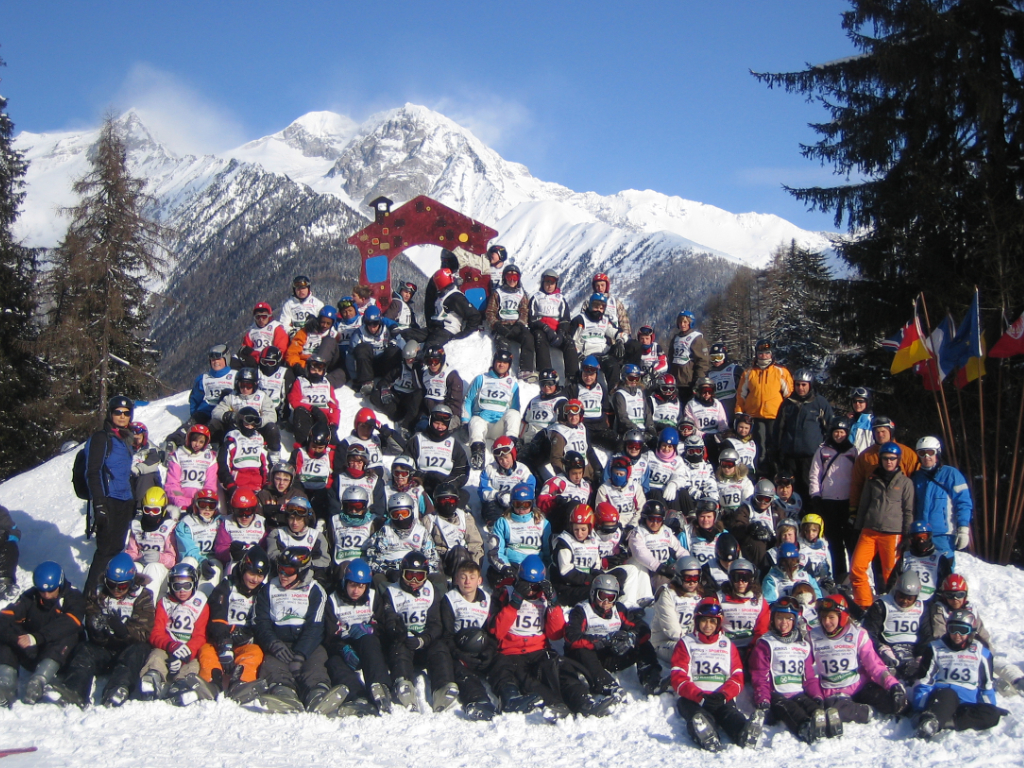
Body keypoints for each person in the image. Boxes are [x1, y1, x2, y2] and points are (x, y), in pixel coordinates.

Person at [489, 554, 612, 718]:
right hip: (512, 651)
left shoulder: (543, 597)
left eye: (536, 586)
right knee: (526, 679)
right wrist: (514, 603)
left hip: (539, 649)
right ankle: (554, 704)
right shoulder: (505, 592)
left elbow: (556, 634)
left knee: (562, 670)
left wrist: (554, 604)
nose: (532, 591)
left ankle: (584, 702)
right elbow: (496, 632)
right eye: (528, 585)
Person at [54, 554, 154, 708]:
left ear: (131, 582)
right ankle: (74, 689)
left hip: (128, 647)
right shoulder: (99, 593)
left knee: (139, 650)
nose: (116, 590)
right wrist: (97, 631)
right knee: (84, 649)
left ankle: (117, 689)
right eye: (111, 584)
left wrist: (123, 631)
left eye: (121, 586)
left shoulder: (143, 596)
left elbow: (144, 631)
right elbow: (90, 614)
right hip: (105, 648)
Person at [670, 596, 763, 752]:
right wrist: (699, 696)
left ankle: (743, 732)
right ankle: (707, 735)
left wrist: (724, 695)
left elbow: (737, 677)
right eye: (704, 620)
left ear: (719, 623)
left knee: (730, 714)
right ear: (697, 620)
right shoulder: (686, 643)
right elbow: (678, 677)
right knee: (698, 717)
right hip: (693, 699)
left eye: (713, 621)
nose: (708, 625)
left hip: (720, 697)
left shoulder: (727, 645)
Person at [253, 547, 336, 713]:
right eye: (280, 569)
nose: (283, 575)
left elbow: (316, 625)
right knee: (272, 666)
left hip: (307, 643)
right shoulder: (269, 588)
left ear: (302, 572)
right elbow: (260, 621)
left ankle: (317, 694)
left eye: (289, 571)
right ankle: (284, 693)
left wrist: (301, 654)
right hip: (280, 642)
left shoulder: (315, 590)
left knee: (315, 665)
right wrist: (272, 643)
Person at [748, 597, 836, 743]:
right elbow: (759, 676)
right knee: (790, 709)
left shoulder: (801, 645)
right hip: (775, 696)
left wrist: (817, 696)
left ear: (794, 620)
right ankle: (805, 727)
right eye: (780, 618)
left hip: (797, 691)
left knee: (811, 705)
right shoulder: (766, 644)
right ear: (773, 619)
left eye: (788, 618)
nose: (784, 623)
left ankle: (825, 722)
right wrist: (763, 699)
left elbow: (809, 677)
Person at [809, 594, 907, 724]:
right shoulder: (813, 636)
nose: (826, 622)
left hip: (859, 687)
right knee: (832, 710)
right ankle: (866, 712)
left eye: (831, 617)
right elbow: (806, 669)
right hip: (832, 692)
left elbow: (873, 665)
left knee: (895, 703)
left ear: (842, 616)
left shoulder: (857, 634)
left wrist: (893, 684)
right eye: (823, 617)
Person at [564, 573, 664, 698]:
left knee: (644, 644)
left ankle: (650, 678)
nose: (606, 602)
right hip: (590, 658)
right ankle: (604, 683)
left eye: (610, 597)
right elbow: (571, 637)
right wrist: (602, 641)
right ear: (593, 593)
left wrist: (630, 637)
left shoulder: (619, 609)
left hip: (611, 655)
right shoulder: (582, 611)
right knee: (582, 651)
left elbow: (642, 629)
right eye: (602, 596)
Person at [381, 551, 458, 711]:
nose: (414, 581)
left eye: (419, 576)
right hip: (404, 641)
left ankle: (442, 686)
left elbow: (436, 623)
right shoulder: (392, 592)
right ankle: (403, 683)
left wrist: (423, 640)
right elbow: (389, 620)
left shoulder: (431, 591)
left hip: (425, 641)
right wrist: (399, 633)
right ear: (401, 574)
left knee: (440, 648)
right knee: (398, 649)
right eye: (409, 576)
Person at [0, 562, 86, 706]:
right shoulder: (31, 597)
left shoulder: (73, 597)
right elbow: (6, 617)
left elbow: (71, 622)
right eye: (42, 591)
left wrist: (37, 637)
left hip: (60, 655)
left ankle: (39, 681)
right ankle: (6, 683)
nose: (46, 595)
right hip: (34, 650)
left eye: (51, 590)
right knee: (7, 635)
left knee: (68, 634)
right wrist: (16, 638)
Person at [912, 608, 1005, 738]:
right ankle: (930, 721)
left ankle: (945, 722)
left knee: (992, 714)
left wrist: (989, 707)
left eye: (962, 630)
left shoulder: (982, 652)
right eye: (953, 629)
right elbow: (924, 681)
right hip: (942, 698)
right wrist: (919, 707)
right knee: (948, 693)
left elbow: (986, 685)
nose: (957, 634)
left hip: (967, 703)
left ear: (971, 632)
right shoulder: (935, 648)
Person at [197, 545, 270, 702]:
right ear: (243, 569)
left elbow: (262, 621)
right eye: (251, 573)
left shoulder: (263, 592)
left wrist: (246, 633)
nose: (254, 579)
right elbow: (217, 613)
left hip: (245, 640)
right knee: (207, 651)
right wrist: (224, 640)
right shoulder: (227, 585)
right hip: (222, 637)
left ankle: (242, 683)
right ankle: (210, 682)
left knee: (255, 653)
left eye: (260, 576)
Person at [322, 558, 393, 716]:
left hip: (367, 644)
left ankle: (380, 688)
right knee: (333, 662)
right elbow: (328, 635)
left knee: (370, 641)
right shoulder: (333, 600)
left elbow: (383, 625)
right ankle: (358, 697)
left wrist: (371, 628)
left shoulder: (374, 597)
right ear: (345, 583)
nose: (356, 591)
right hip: (343, 647)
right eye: (352, 585)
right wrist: (342, 647)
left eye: (361, 587)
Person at [83, 395, 138, 594]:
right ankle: (89, 598)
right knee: (105, 551)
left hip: (124, 500)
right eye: (118, 412)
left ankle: (108, 593)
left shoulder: (125, 438)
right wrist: (99, 504)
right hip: (108, 500)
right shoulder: (101, 438)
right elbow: (93, 471)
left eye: (126, 413)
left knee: (116, 549)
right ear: (110, 413)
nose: (122, 416)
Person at [850, 442, 914, 609]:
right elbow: (864, 504)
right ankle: (864, 604)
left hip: (892, 532)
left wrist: (907, 535)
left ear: (898, 460)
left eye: (892, 459)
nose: (889, 462)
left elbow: (908, 510)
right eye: (885, 458)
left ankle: (893, 608)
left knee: (890, 574)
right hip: (869, 530)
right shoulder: (872, 479)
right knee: (857, 568)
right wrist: (858, 526)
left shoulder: (905, 482)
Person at [138, 562, 211, 704]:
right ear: (171, 586)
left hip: (189, 650)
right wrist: (171, 646)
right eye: (177, 586)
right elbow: (156, 632)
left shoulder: (200, 603)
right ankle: (152, 678)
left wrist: (186, 652)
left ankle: (182, 684)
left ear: (194, 585)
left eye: (187, 586)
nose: (182, 591)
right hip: (168, 646)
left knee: (194, 664)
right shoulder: (165, 602)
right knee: (156, 656)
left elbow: (200, 635)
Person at [439, 561, 499, 720]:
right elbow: (446, 633)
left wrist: (489, 652)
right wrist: (459, 654)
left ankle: (510, 696)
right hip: (459, 649)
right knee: (460, 671)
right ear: (456, 580)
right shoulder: (450, 599)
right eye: (463, 577)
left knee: (502, 663)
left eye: (472, 577)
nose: (467, 582)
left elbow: (493, 632)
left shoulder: (487, 600)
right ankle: (478, 700)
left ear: (479, 580)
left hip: (481, 647)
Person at [808, 415, 858, 581]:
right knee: (834, 542)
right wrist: (815, 495)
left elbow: (858, 476)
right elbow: (815, 474)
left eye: (842, 432)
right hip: (829, 501)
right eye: (836, 432)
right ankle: (839, 576)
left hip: (847, 501)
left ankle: (855, 576)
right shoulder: (823, 450)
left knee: (850, 542)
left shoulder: (852, 451)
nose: (839, 435)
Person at [734, 339, 793, 473]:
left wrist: (789, 414)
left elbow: (789, 394)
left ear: (771, 354)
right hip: (754, 416)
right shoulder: (749, 372)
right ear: (756, 354)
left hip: (775, 416)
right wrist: (739, 411)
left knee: (774, 445)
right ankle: (760, 472)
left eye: (767, 353)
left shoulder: (780, 371)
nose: (764, 356)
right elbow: (741, 394)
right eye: (761, 353)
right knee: (759, 446)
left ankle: (776, 472)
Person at [773, 369, 833, 500]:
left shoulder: (820, 403)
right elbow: (779, 429)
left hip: (811, 456)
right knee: (789, 489)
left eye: (804, 385)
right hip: (790, 456)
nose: (800, 388)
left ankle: (809, 516)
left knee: (809, 488)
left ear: (810, 385)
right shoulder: (788, 403)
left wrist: (826, 451)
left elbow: (830, 428)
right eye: (798, 384)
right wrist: (777, 451)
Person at [863, 570, 930, 685]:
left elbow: (926, 634)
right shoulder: (882, 605)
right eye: (901, 597)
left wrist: (921, 655)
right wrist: (881, 648)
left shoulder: (922, 608)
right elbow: (869, 631)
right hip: (888, 648)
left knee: (917, 675)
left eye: (910, 599)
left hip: (913, 650)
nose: (905, 601)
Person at [911, 436, 973, 559]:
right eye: (922, 453)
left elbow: (963, 502)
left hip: (944, 534)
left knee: (945, 572)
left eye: (930, 452)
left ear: (937, 453)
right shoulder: (916, 477)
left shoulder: (950, 474)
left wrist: (963, 529)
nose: (926, 457)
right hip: (921, 534)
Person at [848, 415, 920, 515]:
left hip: (899, 508)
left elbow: (916, 481)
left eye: (883, 431)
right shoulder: (865, 456)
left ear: (891, 432)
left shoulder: (907, 454)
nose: (880, 435)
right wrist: (854, 507)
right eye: (877, 432)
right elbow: (857, 483)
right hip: (873, 509)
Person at [464, 348, 522, 470]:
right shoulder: (481, 378)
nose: (501, 365)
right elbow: (468, 400)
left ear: (509, 365)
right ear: (494, 362)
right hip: (483, 422)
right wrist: (465, 420)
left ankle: (511, 448)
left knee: (514, 413)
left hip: (499, 426)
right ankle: (478, 454)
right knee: (475, 419)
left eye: (505, 363)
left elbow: (515, 407)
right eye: (498, 361)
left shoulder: (512, 384)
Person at [171, 345, 236, 450]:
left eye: (218, 359)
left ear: (226, 359)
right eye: (213, 360)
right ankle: (173, 442)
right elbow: (195, 398)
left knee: (212, 427)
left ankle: (213, 446)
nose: (215, 362)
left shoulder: (235, 376)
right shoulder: (204, 378)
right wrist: (195, 413)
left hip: (224, 413)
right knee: (191, 427)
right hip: (205, 411)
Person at [488, 483, 551, 585]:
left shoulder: (542, 522)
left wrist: (547, 567)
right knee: (494, 574)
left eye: (526, 505)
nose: (521, 509)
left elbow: (548, 550)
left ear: (532, 503)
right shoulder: (504, 521)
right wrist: (506, 567)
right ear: (512, 503)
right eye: (518, 504)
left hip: (536, 565)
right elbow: (496, 549)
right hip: (513, 564)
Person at [486, 263, 537, 381]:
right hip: (502, 325)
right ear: (504, 277)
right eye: (509, 277)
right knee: (502, 344)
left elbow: (524, 311)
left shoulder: (521, 294)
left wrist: (520, 324)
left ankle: (525, 369)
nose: (512, 280)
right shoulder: (498, 293)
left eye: (515, 278)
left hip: (516, 326)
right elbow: (490, 312)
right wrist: (496, 325)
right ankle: (500, 369)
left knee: (528, 338)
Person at [625, 500, 686, 599]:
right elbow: (640, 553)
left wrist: (686, 563)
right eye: (651, 519)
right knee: (643, 569)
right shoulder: (638, 533)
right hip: (647, 570)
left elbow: (679, 549)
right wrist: (659, 567)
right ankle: (645, 599)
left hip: (663, 568)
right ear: (645, 518)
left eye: (659, 519)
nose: (655, 523)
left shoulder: (666, 532)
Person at [405, 404, 470, 497]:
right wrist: (424, 477)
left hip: (443, 487)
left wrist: (448, 483)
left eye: (443, 424)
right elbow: (405, 465)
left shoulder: (454, 444)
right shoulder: (417, 440)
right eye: (437, 423)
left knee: (464, 495)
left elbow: (462, 472)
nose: (439, 427)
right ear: (431, 421)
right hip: (420, 485)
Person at [125, 487, 178, 600]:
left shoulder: (169, 527)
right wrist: (140, 557)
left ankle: (147, 607)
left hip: (161, 570)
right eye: (147, 510)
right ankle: (129, 604)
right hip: (142, 563)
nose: (151, 514)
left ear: (163, 510)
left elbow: (173, 559)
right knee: (134, 567)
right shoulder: (136, 525)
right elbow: (130, 552)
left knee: (153, 567)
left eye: (155, 510)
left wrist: (159, 557)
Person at [651, 556, 704, 663]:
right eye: (688, 578)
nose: (692, 582)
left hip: (693, 640)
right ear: (679, 577)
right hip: (666, 643)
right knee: (688, 652)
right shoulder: (667, 594)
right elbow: (673, 632)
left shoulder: (700, 595)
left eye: (695, 578)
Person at [266, 498, 330, 584]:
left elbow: (324, 561)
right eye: (291, 518)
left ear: (306, 519)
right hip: (283, 578)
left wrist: (304, 565)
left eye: (299, 519)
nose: (294, 523)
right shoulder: (277, 534)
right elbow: (272, 555)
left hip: (308, 580)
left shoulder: (316, 536)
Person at [529, 269, 578, 380]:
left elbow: (565, 319)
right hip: (542, 328)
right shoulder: (536, 297)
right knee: (539, 337)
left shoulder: (560, 299)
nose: (549, 286)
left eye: (552, 283)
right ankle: (544, 371)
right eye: (547, 282)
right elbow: (532, 319)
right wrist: (545, 328)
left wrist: (560, 333)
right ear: (543, 283)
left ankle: (572, 377)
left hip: (557, 329)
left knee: (569, 342)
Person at [427, 482, 486, 574]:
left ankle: (463, 581)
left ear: (457, 501)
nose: (447, 504)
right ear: (436, 502)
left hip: (464, 560)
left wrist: (475, 569)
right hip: (441, 561)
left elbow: (476, 544)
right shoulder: (430, 520)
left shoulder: (465, 518)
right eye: (443, 501)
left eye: (451, 501)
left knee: (459, 551)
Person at [885, 521, 953, 599]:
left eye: (924, 537)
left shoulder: (939, 558)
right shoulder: (905, 557)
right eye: (917, 538)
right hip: (907, 601)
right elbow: (893, 580)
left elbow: (947, 582)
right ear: (911, 539)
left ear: (929, 537)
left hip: (930, 601)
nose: (921, 541)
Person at [550, 504, 601, 606]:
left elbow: (596, 568)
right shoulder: (565, 542)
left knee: (621, 575)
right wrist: (591, 581)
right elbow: (566, 572)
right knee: (597, 593)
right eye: (576, 529)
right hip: (567, 588)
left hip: (586, 583)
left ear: (590, 528)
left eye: (583, 530)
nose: (579, 534)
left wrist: (602, 579)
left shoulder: (594, 542)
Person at [479, 436, 536, 527]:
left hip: (517, 503)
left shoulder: (523, 470)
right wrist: (497, 495)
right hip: (497, 503)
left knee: (531, 506)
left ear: (512, 455)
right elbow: (483, 491)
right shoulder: (489, 470)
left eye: (506, 457)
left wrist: (514, 498)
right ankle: (495, 527)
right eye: (500, 459)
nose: (504, 461)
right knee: (489, 507)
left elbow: (530, 490)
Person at [718, 559, 770, 658]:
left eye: (745, 578)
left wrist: (753, 648)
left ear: (751, 579)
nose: (740, 582)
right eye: (736, 578)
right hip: (725, 648)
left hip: (751, 648)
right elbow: (715, 625)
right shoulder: (720, 598)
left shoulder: (759, 600)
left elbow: (762, 629)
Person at [286, 353, 341, 448]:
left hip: (324, 418)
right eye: (313, 369)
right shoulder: (300, 381)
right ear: (308, 369)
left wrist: (334, 423)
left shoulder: (327, 384)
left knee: (336, 446)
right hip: (307, 415)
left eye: (319, 370)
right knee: (300, 411)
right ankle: (303, 446)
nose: (316, 373)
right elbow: (293, 401)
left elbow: (334, 406)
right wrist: (312, 408)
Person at [175, 488, 224, 593]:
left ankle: (204, 597)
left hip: (212, 560)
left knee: (215, 566)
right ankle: (183, 592)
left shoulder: (221, 522)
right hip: (195, 559)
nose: (207, 509)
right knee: (188, 561)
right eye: (203, 505)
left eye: (211, 506)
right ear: (196, 505)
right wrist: (202, 561)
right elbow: (188, 549)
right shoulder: (186, 524)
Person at [570, 293, 623, 387]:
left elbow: (616, 332)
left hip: (604, 352)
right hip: (588, 353)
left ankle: (614, 393)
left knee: (613, 366)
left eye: (601, 307)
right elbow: (571, 341)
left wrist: (620, 340)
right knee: (590, 371)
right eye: (595, 306)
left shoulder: (605, 320)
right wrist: (578, 354)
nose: (598, 310)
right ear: (590, 305)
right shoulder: (580, 320)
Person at [164, 423, 218, 512]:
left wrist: (203, 502)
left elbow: (210, 484)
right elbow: (172, 483)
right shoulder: (178, 455)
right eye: (195, 440)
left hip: (201, 502)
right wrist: (181, 503)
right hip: (180, 502)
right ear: (188, 439)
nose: (197, 444)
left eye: (201, 442)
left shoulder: (210, 458)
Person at [566, 355, 616, 449]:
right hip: (583, 425)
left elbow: (606, 409)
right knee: (586, 447)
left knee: (616, 441)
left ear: (596, 374)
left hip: (599, 426)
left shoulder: (601, 388)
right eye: (585, 374)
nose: (588, 377)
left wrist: (607, 424)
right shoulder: (576, 387)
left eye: (591, 375)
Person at [217, 406, 268, 497]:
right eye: (247, 422)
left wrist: (266, 484)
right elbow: (222, 464)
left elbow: (265, 465)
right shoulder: (232, 440)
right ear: (240, 422)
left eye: (254, 424)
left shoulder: (258, 440)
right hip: (237, 486)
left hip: (257, 487)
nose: (250, 426)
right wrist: (231, 485)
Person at [424, 268, 482, 349]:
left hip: (448, 330)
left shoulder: (455, 297)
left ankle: (425, 360)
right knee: (409, 334)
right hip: (437, 328)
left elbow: (474, 315)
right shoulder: (442, 295)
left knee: (430, 347)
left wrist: (464, 333)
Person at [537, 451, 593, 534]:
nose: (578, 476)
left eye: (580, 473)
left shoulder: (586, 486)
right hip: (559, 521)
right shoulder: (557, 481)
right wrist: (556, 500)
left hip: (579, 524)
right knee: (573, 504)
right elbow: (540, 501)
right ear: (567, 470)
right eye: (574, 473)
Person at [293, 424, 340, 522]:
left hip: (322, 490)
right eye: (313, 446)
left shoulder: (330, 454)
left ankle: (321, 522)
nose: (316, 450)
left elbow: (335, 474)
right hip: (303, 489)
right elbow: (294, 472)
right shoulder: (300, 453)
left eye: (320, 448)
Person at [351, 306, 401, 396]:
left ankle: (389, 380)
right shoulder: (360, 332)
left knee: (393, 350)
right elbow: (351, 354)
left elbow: (402, 343)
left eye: (375, 323)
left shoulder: (387, 329)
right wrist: (354, 377)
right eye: (368, 323)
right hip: (369, 366)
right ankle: (366, 382)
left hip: (384, 363)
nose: (372, 327)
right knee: (361, 348)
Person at [212, 489, 268, 569]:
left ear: (254, 510)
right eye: (239, 512)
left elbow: (267, 547)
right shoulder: (227, 523)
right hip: (235, 563)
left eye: (248, 512)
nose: (244, 516)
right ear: (233, 511)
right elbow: (220, 549)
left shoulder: (262, 522)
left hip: (256, 563)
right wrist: (231, 553)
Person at [417, 344, 465, 429]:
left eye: (435, 361)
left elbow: (455, 402)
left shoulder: (451, 375)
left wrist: (442, 418)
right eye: (429, 361)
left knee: (436, 432)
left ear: (441, 360)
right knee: (420, 430)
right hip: (429, 414)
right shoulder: (425, 375)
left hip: (447, 416)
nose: (432, 365)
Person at [667, 310, 710, 403]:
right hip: (676, 380)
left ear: (690, 323)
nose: (682, 324)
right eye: (680, 322)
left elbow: (702, 361)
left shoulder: (696, 338)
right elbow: (670, 358)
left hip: (689, 381)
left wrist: (699, 380)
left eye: (685, 322)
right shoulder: (675, 338)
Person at [285, 305, 339, 373]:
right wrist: (296, 365)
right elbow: (293, 351)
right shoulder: (305, 331)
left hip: (321, 365)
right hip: (304, 364)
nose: (325, 325)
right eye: (323, 322)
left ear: (332, 324)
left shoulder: (334, 335)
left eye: (328, 323)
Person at [520, 369, 566, 444]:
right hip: (531, 439)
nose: (546, 387)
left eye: (550, 383)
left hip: (548, 440)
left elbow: (562, 427)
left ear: (556, 383)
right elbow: (525, 422)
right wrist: (520, 438)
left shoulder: (560, 401)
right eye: (543, 384)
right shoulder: (534, 401)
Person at [257, 462, 308, 529]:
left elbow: (310, 517)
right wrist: (269, 510)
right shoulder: (263, 495)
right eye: (278, 479)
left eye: (286, 480)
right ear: (272, 478)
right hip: (268, 531)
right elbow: (256, 518)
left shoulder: (299, 495)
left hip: (290, 532)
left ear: (291, 481)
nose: (281, 483)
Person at [683, 377, 729, 445]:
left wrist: (719, 436)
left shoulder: (717, 403)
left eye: (710, 391)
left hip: (716, 437)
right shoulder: (691, 405)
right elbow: (690, 427)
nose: (707, 394)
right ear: (698, 391)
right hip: (699, 438)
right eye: (704, 391)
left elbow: (723, 424)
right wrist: (704, 435)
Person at [585, 272, 631, 337]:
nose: (600, 288)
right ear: (594, 287)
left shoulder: (615, 303)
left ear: (607, 286)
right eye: (597, 285)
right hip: (594, 336)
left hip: (613, 338)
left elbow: (624, 322)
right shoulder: (588, 303)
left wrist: (626, 338)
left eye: (602, 285)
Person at [611, 364, 652, 437]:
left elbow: (647, 412)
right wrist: (635, 428)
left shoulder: (640, 392)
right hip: (628, 431)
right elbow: (622, 417)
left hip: (643, 429)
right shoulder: (620, 394)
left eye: (637, 379)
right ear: (624, 378)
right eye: (631, 378)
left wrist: (650, 427)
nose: (634, 381)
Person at [127, 421, 162, 504]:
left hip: (144, 480)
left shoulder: (151, 450)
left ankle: (141, 504)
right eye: (132, 438)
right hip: (128, 478)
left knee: (147, 475)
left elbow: (153, 464)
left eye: (138, 438)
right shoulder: (124, 449)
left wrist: (137, 469)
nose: (135, 441)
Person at [708, 342, 742, 424]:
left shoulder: (734, 369)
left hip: (732, 404)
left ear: (724, 356)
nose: (716, 361)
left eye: (719, 357)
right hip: (717, 407)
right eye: (713, 358)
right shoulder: (709, 374)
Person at [715, 447, 754, 516]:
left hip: (739, 515)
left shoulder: (744, 481)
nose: (727, 468)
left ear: (736, 464)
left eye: (730, 465)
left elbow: (748, 503)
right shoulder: (717, 481)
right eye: (724, 464)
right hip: (722, 516)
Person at [0, 507, 20, 600]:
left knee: (10, 546)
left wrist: (4, 536)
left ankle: (5, 581)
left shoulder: (2, 514)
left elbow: (15, 534)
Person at [847, 387, 874, 454]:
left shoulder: (872, 422)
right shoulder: (849, 420)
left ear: (867, 402)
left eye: (861, 401)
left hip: (863, 461)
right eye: (854, 401)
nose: (857, 404)